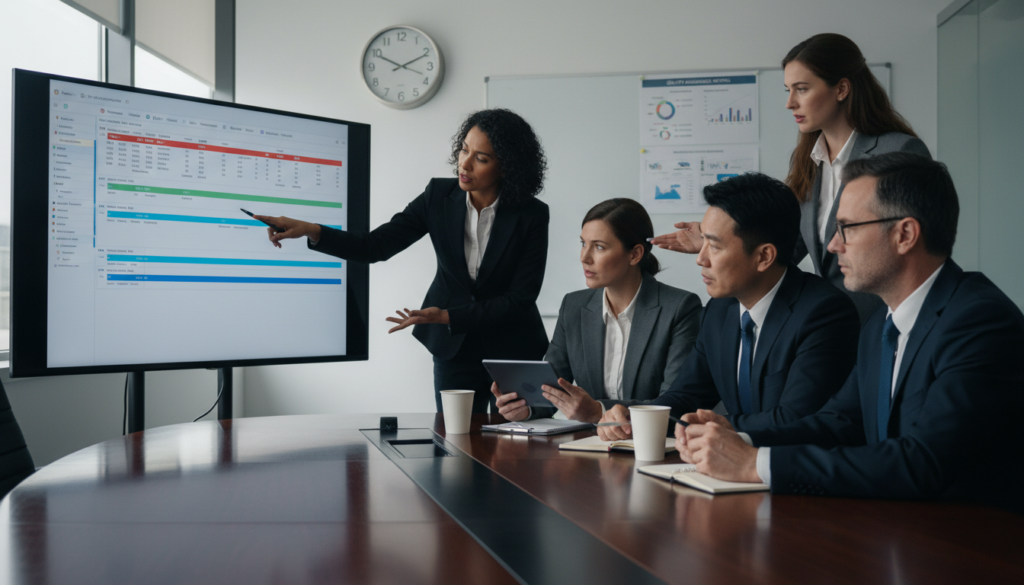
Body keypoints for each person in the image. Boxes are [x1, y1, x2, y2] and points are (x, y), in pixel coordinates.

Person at [676, 153, 1024, 514]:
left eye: (847, 228)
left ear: (904, 234)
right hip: (898, 535)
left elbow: (923, 462)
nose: (832, 246)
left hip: (973, 550)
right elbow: (837, 423)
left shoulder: (980, 321)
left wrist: (754, 465)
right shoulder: (880, 325)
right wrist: (738, 439)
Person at [257, 109, 550, 414]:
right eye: (464, 149)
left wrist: (448, 316)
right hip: (453, 348)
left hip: (511, 346)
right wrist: (313, 230)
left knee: (516, 446)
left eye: (481, 158)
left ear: (507, 167)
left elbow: (520, 299)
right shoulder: (439, 196)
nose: (464, 164)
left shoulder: (531, 214)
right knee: (459, 445)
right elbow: (376, 246)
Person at [652, 33, 930, 324]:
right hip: (832, 324)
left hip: (887, 321)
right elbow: (789, 245)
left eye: (802, 89)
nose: (790, 103)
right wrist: (725, 241)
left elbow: (916, 250)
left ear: (842, 88)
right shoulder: (808, 160)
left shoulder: (899, 151)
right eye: (788, 90)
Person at [597, 173, 859, 441]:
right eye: (703, 242)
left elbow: (796, 418)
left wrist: (717, 425)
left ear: (763, 256)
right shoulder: (719, 310)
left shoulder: (824, 313)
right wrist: (634, 416)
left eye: (714, 246)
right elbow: (686, 395)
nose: (700, 258)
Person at [491, 198, 702, 422]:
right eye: (583, 243)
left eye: (599, 247)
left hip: (652, 444)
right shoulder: (573, 306)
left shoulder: (680, 307)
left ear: (635, 254)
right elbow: (551, 389)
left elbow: (676, 402)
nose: (584, 257)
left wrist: (599, 411)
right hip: (588, 446)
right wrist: (526, 407)